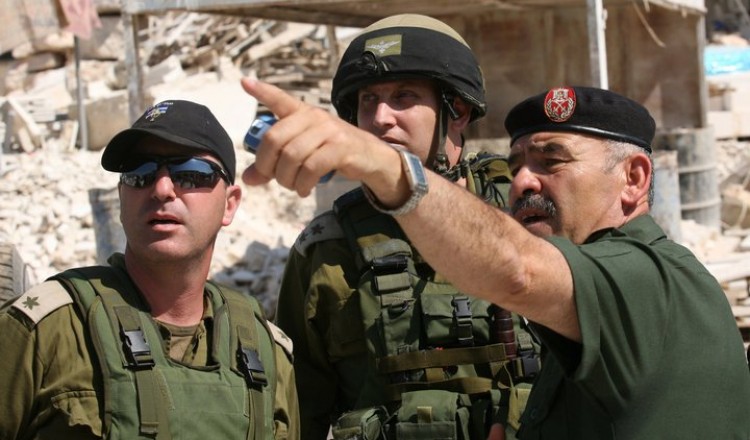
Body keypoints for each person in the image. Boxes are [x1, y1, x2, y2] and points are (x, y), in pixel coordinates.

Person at [239, 75, 750, 438]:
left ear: (633, 179)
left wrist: (384, 167)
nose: (523, 180)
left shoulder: (648, 278)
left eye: (552, 160)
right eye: (518, 163)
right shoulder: (601, 304)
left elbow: (517, 270)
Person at [271, 14, 539, 440]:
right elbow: (297, 411)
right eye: (368, 100)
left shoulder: (532, 219)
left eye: (404, 96)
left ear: (458, 110)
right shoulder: (327, 250)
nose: (380, 117)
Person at [0, 100, 299, 440]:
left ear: (229, 205)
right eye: (139, 173)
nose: (161, 189)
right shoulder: (50, 332)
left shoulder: (266, 352)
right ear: (121, 197)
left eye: (190, 173)